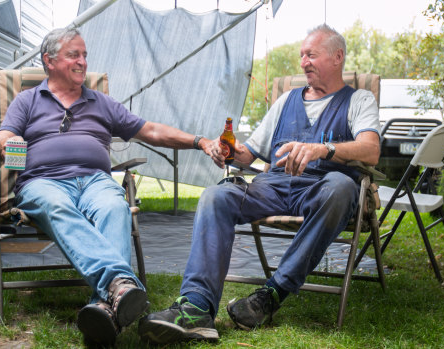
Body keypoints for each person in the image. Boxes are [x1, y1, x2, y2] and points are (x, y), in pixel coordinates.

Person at [138, 24, 381, 344]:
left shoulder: (358, 99)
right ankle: (197, 307)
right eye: (301, 55)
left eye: (311, 54)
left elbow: (371, 150)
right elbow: (247, 155)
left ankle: (272, 293)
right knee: (215, 196)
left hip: (324, 187)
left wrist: (324, 149)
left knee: (341, 185)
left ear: (337, 57)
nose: (304, 62)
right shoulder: (286, 102)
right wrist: (225, 148)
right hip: (276, 184)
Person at [0, 27, 216, 346]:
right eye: (73, 55)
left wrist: (198, 141)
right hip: (43, 183)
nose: (82, 62)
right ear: (49, 61)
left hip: (95, 181)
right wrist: (3, 143)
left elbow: (150, 130)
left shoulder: (102, 102)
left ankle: (104, 308)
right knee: (56, 205)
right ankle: (120, 284)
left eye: (84, 55)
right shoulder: (27, 100)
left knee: (113, 206)